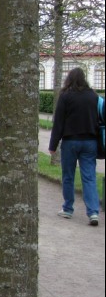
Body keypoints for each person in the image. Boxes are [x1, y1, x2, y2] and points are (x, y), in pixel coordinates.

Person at [48, 67, 100, 226]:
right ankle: (93, 212)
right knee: (89, 177)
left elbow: (59, 122)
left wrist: (53, 145)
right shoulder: (93, 97)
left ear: (69, 79)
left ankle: (68, 208)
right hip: (90, 141)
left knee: (68, 176)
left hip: (70, 141)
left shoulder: (65, 96)